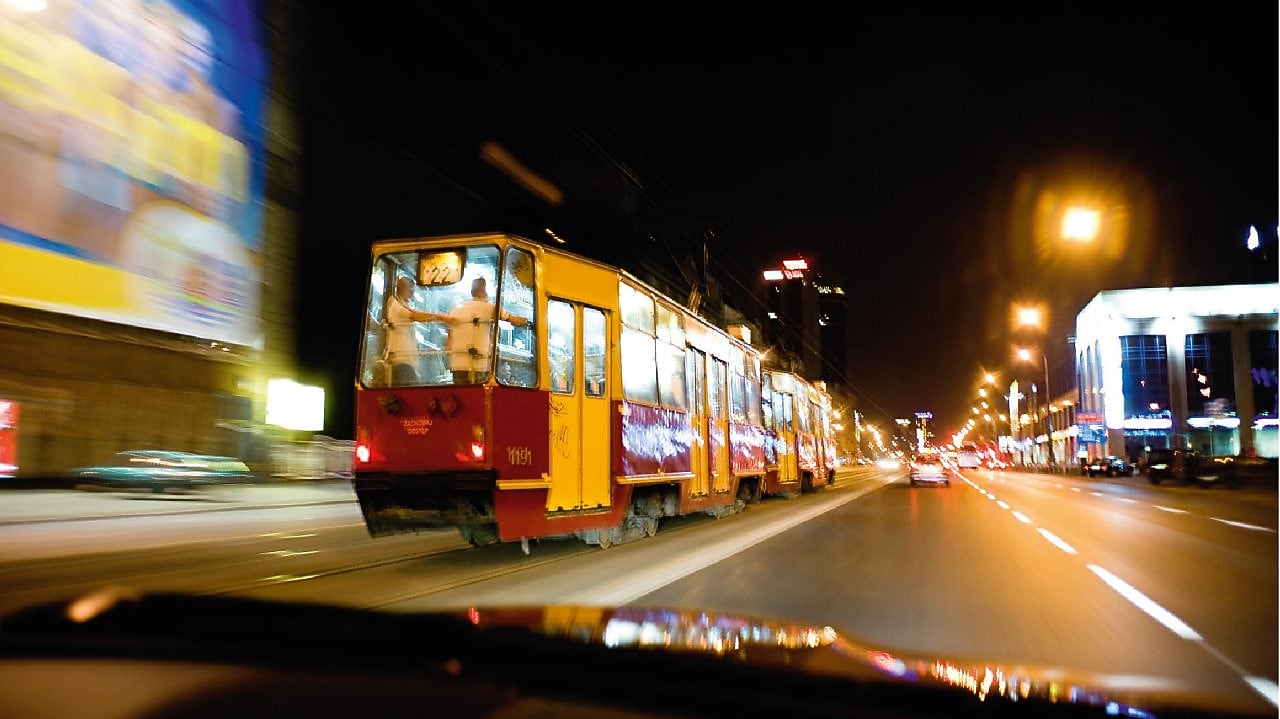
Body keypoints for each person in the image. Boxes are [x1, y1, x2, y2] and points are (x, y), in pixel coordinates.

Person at [445, 277, 529, 384]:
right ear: (484, 290)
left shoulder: (455, 310)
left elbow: (449, 338)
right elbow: (513, 320)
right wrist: (526, 322)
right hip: (478, 365)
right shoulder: (490, 308)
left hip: (457, 364)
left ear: (471, 292)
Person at [385, 276, 447, 384]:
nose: (412, 293)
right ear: (403, 288)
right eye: (411, 289)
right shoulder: (394, 304)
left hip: (407, 359)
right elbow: (413, 315)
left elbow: (417, 316)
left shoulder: (404, 304)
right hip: (400, 359)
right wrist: (438, 316)